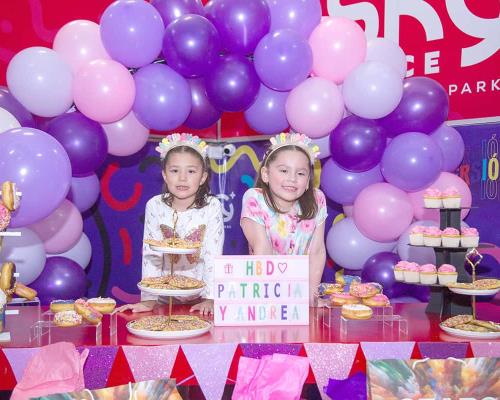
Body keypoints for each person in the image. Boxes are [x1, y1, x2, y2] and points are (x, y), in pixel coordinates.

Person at [117, 133, 224, 315]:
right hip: (165, 297)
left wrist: (210, 298)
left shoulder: (211, 206)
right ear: (165, 175)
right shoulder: (155, 205)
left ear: (203, 177)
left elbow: (212, 254)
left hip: (201, 296)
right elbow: (151, 255)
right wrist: (149, 300)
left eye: (191, 171)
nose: (182, 178)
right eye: (175, 171)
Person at [240, 132, 327, 305]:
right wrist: (271, 300)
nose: (292, 179)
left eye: (301, 173)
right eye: (284, 170)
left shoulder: (317, 199)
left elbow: (316, 251)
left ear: (309, 180)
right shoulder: (255, 198)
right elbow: (262, 249)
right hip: (264, 290)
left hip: (300, 293)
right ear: (266, 174)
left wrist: (310, 296)